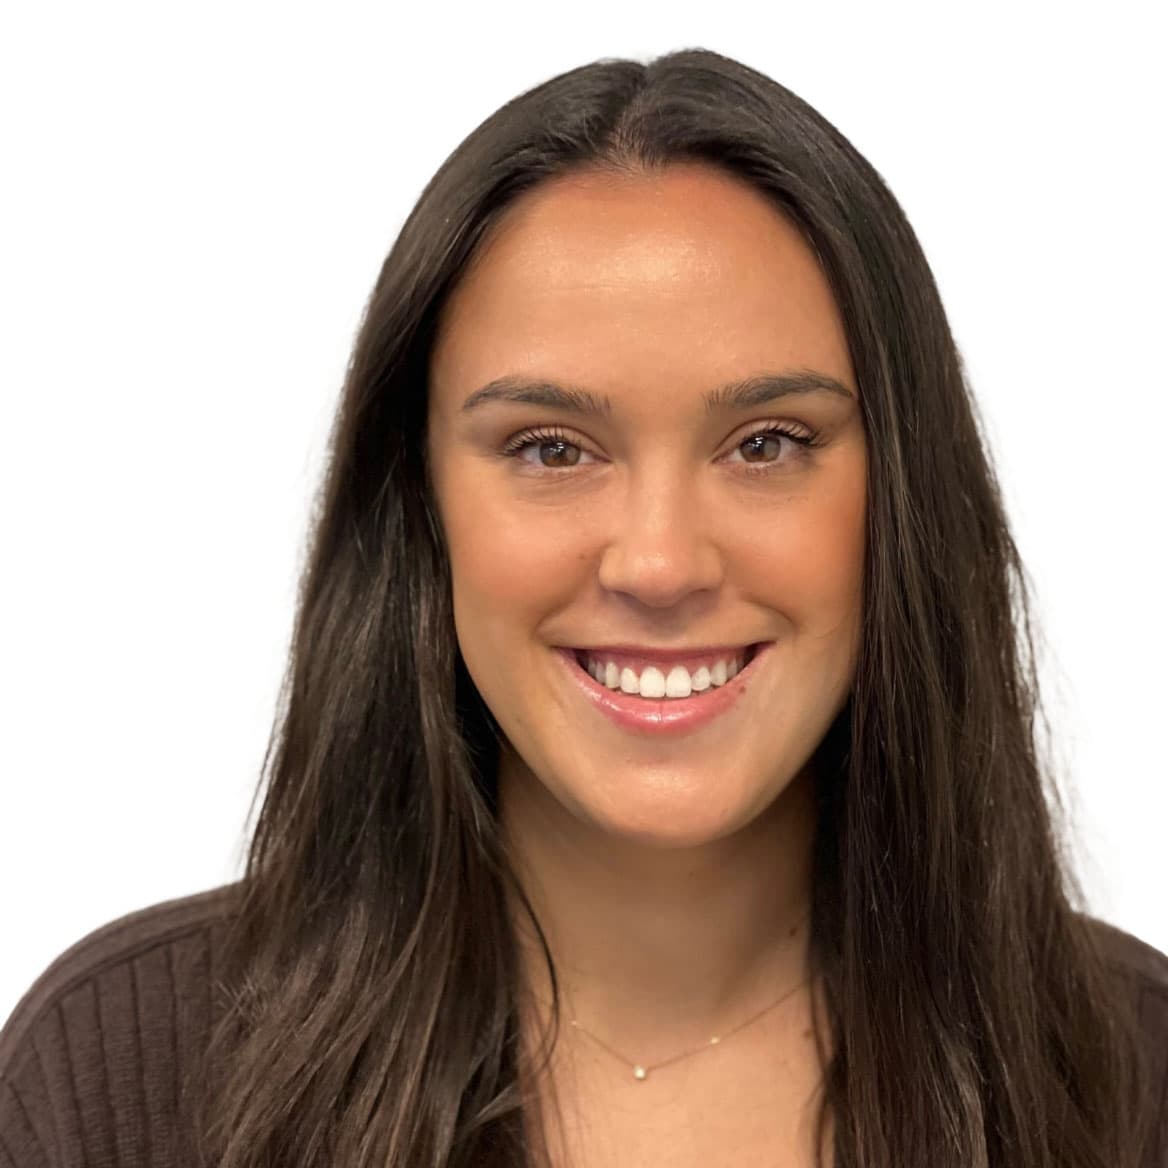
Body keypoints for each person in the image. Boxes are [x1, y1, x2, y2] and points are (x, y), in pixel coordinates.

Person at [1, 47, 1165, 1168]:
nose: (658, 562)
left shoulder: (1138, 1077)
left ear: (902, 496)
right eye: (550, 448)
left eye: (767, 442)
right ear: (419, 504)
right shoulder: (114, 1083)